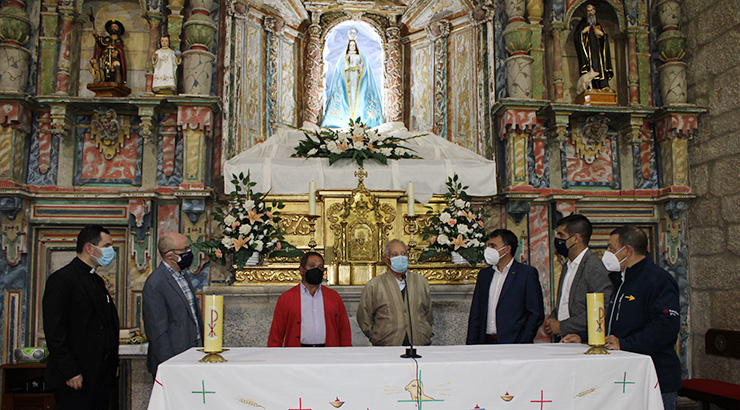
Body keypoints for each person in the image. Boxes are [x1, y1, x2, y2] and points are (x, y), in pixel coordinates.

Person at [562, 225, 681, 410]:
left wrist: (625, 344)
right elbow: (613, 324)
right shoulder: (622, 280)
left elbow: (665, 327)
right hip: (625, 373)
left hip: (656, 375)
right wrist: (585, 337)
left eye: (610, 247)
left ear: (627, 250)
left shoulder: (657, 279)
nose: (606, 253)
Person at [42, 225, 119, 410]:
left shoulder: (97, 280)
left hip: (100, 374)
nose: (111, 251)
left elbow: (105, 323)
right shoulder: (62, 279)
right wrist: (70, 371)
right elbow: (55, 330)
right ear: (89, 248)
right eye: (107, 245)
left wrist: (113, 362)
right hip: (77, 375)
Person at [467, 229, 544, 344]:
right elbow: (476, 313)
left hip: (514, 344)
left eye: (493, 246)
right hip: (485, 343)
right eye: (488, 246)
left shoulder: (526, 274)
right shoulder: (484, 275)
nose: (489, 250)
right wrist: (471, 344)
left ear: (507, 249)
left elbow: (535, 313)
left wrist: (523, 341)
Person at [142, 232, 203, 376]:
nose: (189, 253)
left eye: (189, 248)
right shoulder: (155, 283)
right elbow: (157, 331)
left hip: (192, 355)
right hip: (173, 360)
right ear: (170, 255)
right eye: (184, 250)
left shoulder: (183, 275)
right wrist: (169, 365)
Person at [544, 214, 612, 340]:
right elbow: (566, 300)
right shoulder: (567, 265)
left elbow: (601, 309)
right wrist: (553, 317)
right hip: (564, 337)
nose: (557, 239)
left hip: (582, 338)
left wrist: (563, 326)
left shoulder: (593, 266)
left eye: (561, 235)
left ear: (576, 238)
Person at [357, 239, 433, 346]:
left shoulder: (421, 282)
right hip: (387, 345)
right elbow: (364, 317)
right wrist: (376, 336)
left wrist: (425, 330)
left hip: (418, 344)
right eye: (395, 254)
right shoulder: (375, 285)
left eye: (403, 254)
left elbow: (428, 313)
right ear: (387, 261)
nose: (400, 257)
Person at [268, 251, 352, 347]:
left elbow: (344, 330)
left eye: (320, 267)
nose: (316, 270)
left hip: (328, 353)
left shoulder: (333, 297)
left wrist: (346, 352)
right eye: (312, 266)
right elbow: (276, 333)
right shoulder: (286, 298)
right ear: (302, 270)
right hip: (297, 354)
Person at [322, 36, 384, 128]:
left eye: (353, 45)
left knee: (357, 97)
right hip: (347, 80)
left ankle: (359, 119)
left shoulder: (360, 57)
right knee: (348, 97)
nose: (352, 46)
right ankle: (346, 119)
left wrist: (359, 69)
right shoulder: (344, 56)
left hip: (357, 80)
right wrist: (348, 68)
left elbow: (365, 68)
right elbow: (340, 69)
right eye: (350, 45)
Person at [574, 3, 613, 90]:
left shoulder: (598, 25)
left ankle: (603, 85)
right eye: (588, 11)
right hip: (588, 52)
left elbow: (605, 39)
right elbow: (577, 37)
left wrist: (602, 35)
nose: (590, 13)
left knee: (600, 67)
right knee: (590, 68)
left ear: (594, 11)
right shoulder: (582, 24)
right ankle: (590, 86)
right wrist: (583, 32)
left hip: (598, 52)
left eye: (591, 10)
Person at [89, 18, 127, 85]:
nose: (113, 28)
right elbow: (101, 42)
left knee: (116, 66)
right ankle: (104, 80)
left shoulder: (119, 40)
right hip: (106, 57)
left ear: (118, 29)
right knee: (104, 68)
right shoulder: (106, 39)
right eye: (112, 27)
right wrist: (95, 35)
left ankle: (117, 82)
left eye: (115, 27)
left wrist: (117, 52)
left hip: (114, 58)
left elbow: (120, 49)